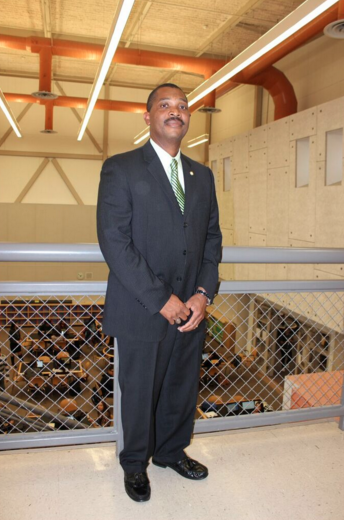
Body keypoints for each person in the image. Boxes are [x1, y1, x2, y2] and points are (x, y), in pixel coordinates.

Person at [97, 83, 222, 502]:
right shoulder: (122, 168)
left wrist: (203, 294)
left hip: (191, 309)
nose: (176, 111)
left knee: (180, 386)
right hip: (142, 308)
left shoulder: (201, 176)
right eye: (165, 105)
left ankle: (171, 452)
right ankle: (135, 465)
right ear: (147, 117)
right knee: (139, 391)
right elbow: (114, 242)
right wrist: (162, 300)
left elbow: (210, 240)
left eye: (183, 106)